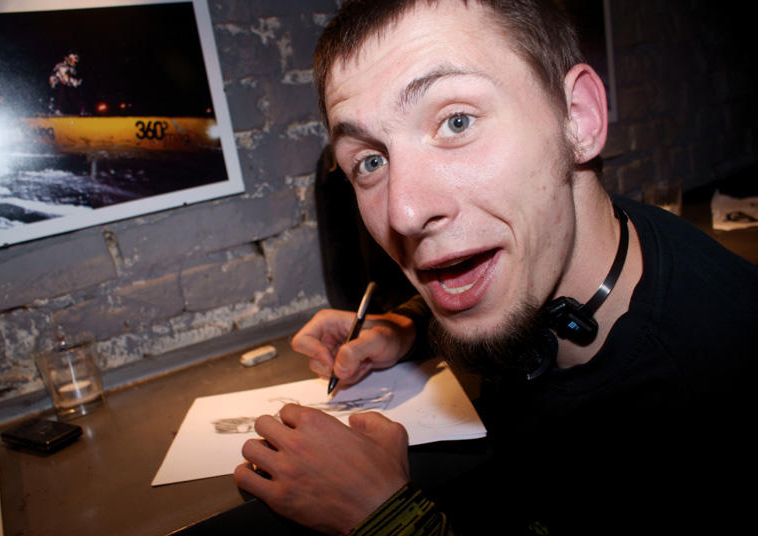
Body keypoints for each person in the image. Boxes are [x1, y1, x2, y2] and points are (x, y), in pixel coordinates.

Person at [234, 1, 758, 534]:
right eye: (371, 161)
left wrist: (386, 518)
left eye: (456, 122)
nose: (404, 212)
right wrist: (406, 327)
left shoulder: (718, 390)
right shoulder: (572, 247)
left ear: (578, 118)